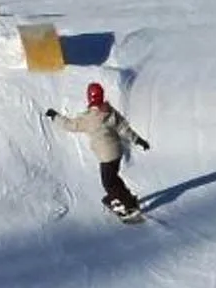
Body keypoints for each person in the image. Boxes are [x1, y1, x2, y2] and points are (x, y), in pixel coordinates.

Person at [47, 80, 151, 221]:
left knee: (109, 183)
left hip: (106, 156)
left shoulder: (88, 118)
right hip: (117, 153)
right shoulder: (110, 111)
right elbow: (124, 128)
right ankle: (128, 198)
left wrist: (55, 116)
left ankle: (128, 206)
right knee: (114, 178)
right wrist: (138, 140)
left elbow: (70, 125)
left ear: (89, 97)